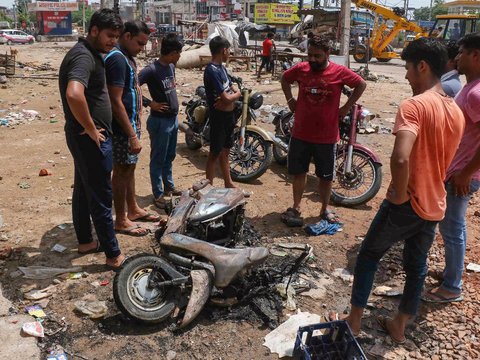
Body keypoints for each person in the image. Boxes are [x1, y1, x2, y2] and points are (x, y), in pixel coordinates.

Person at [344, 38, 465, 343]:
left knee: (369, 255)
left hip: (408, 200)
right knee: (417, 266)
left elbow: (400, 157)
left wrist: (398, 193)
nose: (407, 76)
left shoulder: (414, 106)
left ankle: (354, 323)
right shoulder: (456, 112)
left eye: (409, 69)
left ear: (422, 66)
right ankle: (399, 324)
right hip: (436, 202)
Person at [58, 9, 126, 270]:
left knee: (85, 188)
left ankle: (86, 241)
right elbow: (74, 94)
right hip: (89, 138)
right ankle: (113, 254)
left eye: (116, 37)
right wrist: (90, 127)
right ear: (94, 30)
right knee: (100, 194)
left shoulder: (89, 53)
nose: (113, 41)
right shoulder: (83, 57)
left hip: (84, 137)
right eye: (110, 35)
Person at [280, 35, 366, 226]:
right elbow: (285, 79)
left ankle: (324, 208)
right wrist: (290, 100)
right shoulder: (301, 69)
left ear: (328, 54)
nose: (312, 59)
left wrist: (346, 108)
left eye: (317, 56)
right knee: (299, 173)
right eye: (309, 55)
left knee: (325, 177)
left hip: (326, 136)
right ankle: (296, 206)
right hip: (301, 133)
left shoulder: (340, 72)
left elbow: (361, 84)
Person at [423, 33, 480, 303]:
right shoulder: (470, 88)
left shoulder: (477, 93)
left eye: (462, 52)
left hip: (463, 173)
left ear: (476, 55)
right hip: (459, 169)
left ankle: (452, 287)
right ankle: (450, 273)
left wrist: (467, 173)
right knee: (452, 226)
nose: (456, 57)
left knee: (452, 227)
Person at [105, 20, 158, 237]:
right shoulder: (117, 59)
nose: (142, 48)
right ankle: (121, 219)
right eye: (139, 42)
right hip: (122, 128)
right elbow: (115, 100)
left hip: (131, 125)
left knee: (129, 168)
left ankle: (133, 209)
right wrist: (131, 135)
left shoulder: (128, 58)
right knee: (121, 171)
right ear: (126, 36)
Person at [138, 33, 183, 209]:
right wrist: (151, 103)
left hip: (172, 120)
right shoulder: (152, 70)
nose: (180, 56)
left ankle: (168, 187)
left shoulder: (171, 67)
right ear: (172, 52)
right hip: (159, 121)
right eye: (178, 52)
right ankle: (158, 194)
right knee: (158, 157)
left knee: (169, 156)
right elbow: (132, 88)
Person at [204, 36, 241, 187]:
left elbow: (230, 86)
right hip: (218, 116)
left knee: (226, 150)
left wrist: (232, 92)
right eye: (229, 50)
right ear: (224, 50)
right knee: (214, 153)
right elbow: (226, 97)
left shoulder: (222, 68)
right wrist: (238, 94)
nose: (230, 52)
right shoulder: (211, 70)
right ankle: (209, 186)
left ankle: (228, 182)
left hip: (228, 115)